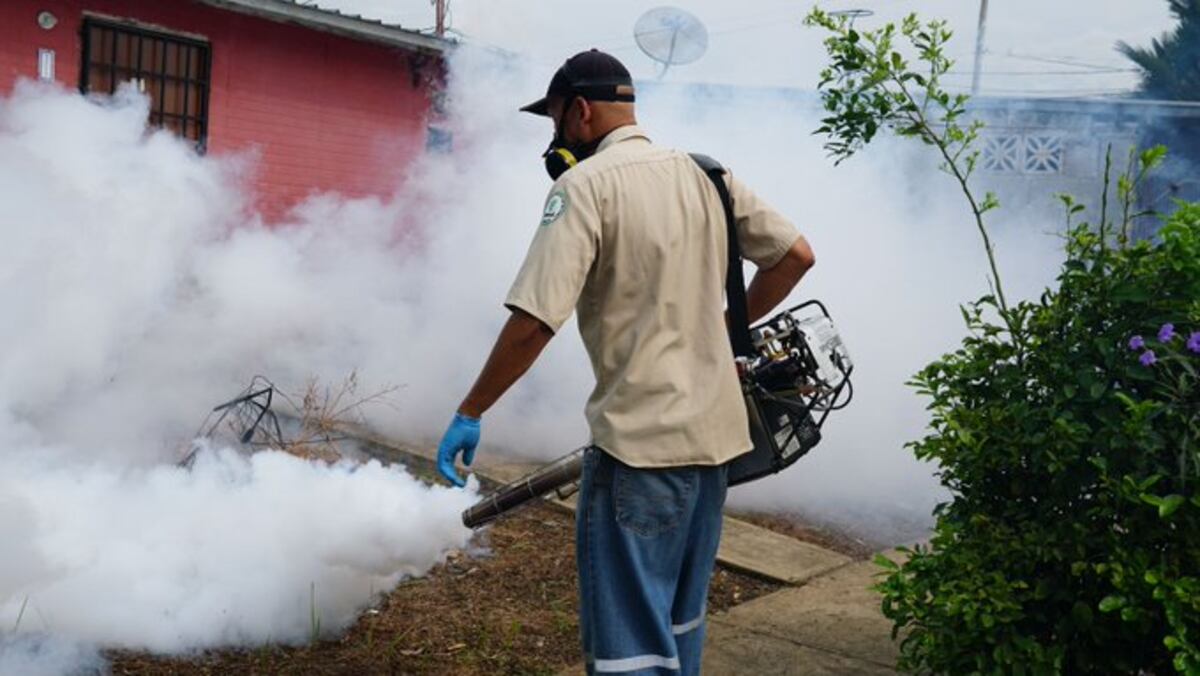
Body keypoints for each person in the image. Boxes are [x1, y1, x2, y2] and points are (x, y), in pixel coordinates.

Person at [435, 49, 815, 675]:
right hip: (717, 448)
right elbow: (794, 255)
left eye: (555, 120)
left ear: (580, 112)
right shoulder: (707, 174)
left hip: (641, 453)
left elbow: (532, 323)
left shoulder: (583, 188)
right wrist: (726, 331)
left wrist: (471, 409)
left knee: (629, 653)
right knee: (678, 626)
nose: (555, 137)